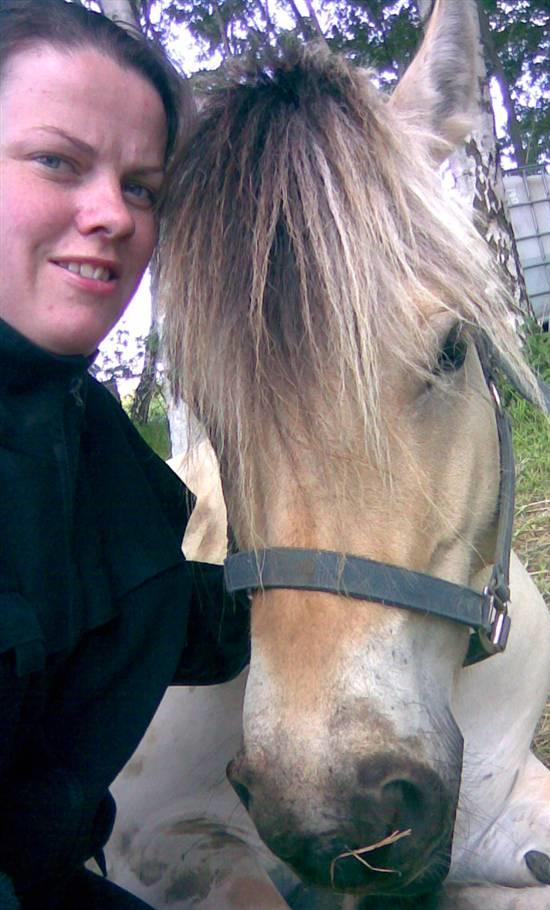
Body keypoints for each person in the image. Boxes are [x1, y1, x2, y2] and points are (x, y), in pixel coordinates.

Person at [0, 2, 250, 907]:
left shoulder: (83, 430)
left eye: (142, 187)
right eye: (57, 161)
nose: (111, 214)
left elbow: (187, 623)